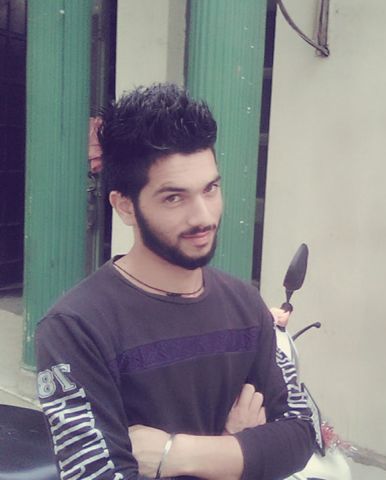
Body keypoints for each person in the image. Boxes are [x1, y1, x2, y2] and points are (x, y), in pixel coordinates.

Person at [36, 84, 315, 480]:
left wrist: (177, 453)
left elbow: (300, 435)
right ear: (125, 206)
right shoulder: (77, 328)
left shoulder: (246, 305)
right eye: (173, 198)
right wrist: (244, 449)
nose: (203, 216)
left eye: (210, 189)